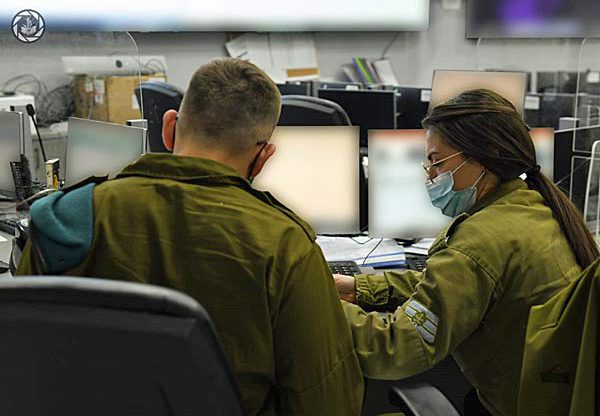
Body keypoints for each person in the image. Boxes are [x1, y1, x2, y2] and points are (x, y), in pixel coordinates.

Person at [17, 58, 364, 416]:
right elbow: (327, 403)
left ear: (169, 128)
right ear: (263, 158)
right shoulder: (285, 245)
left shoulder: (65, 217)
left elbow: (20, 365)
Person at [334, 89, 599, 416]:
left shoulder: (479, 240)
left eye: (436, 161)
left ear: (480, 157)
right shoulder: (534, 205)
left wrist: (324, 305)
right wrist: (360, 287)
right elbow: (456, 284)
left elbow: (396, 347)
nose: (430, 175)